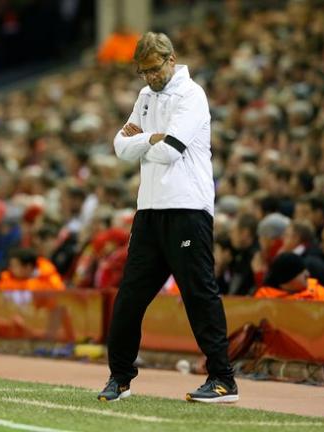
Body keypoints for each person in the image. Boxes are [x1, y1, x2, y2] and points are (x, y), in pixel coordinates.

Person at [98, 32, 237, 403]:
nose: (149, 77)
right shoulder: (145, 97)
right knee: (129, 297)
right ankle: (120, 377)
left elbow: (172, 149)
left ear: (170, 60)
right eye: (143, 72)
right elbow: (119, 147)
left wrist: (142, 141)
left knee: (198, 293)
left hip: (187, 207)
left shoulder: (192, 95)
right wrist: (150, 139)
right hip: (150, 210)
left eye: (154, 69)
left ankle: (223, 379)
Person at [253, 252, 324, 301]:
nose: (308, 274)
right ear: (287, 278)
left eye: (305, 269)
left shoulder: (318, 293)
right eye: (300, 272)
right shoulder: (264, 297)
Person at [0, 248, 65, 291]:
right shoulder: (6, 278)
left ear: (28, 267)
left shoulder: (50, 282)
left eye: (15, 266)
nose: (10, 269)